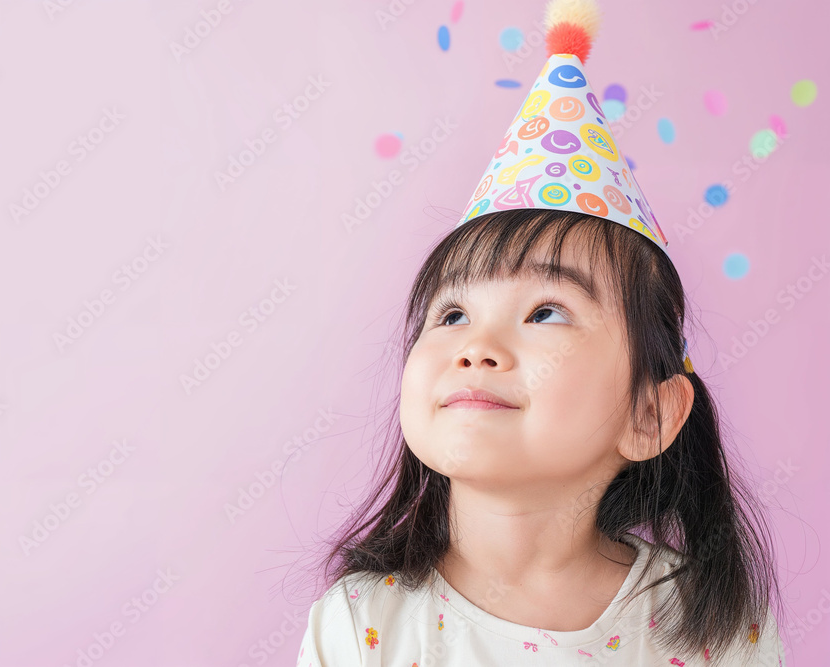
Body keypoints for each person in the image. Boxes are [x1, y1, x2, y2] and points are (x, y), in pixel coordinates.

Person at [294, 0, 786, 665]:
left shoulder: (715, 628)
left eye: (546, 311)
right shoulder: (363, 624)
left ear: (650, 412)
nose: (476, 346)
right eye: (452, 315)